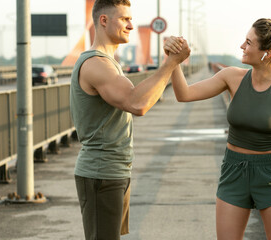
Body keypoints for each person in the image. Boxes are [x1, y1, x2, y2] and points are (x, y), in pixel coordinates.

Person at [164, 18, 271, 239]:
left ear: (266, 53)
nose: (242, 46)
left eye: (249, 42)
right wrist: (173, 60)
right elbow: (184, 94)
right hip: (233, 172)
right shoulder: (231, 77)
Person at [69, 0, 190, 239]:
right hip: (101, 171)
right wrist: (171, 63)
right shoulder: (96, 63)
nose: (131, 26)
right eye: (125, 19)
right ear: (103, 20)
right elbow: (137, 103)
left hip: (114, 170)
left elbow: (145, 99)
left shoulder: (109, 62)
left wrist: (171, 63)